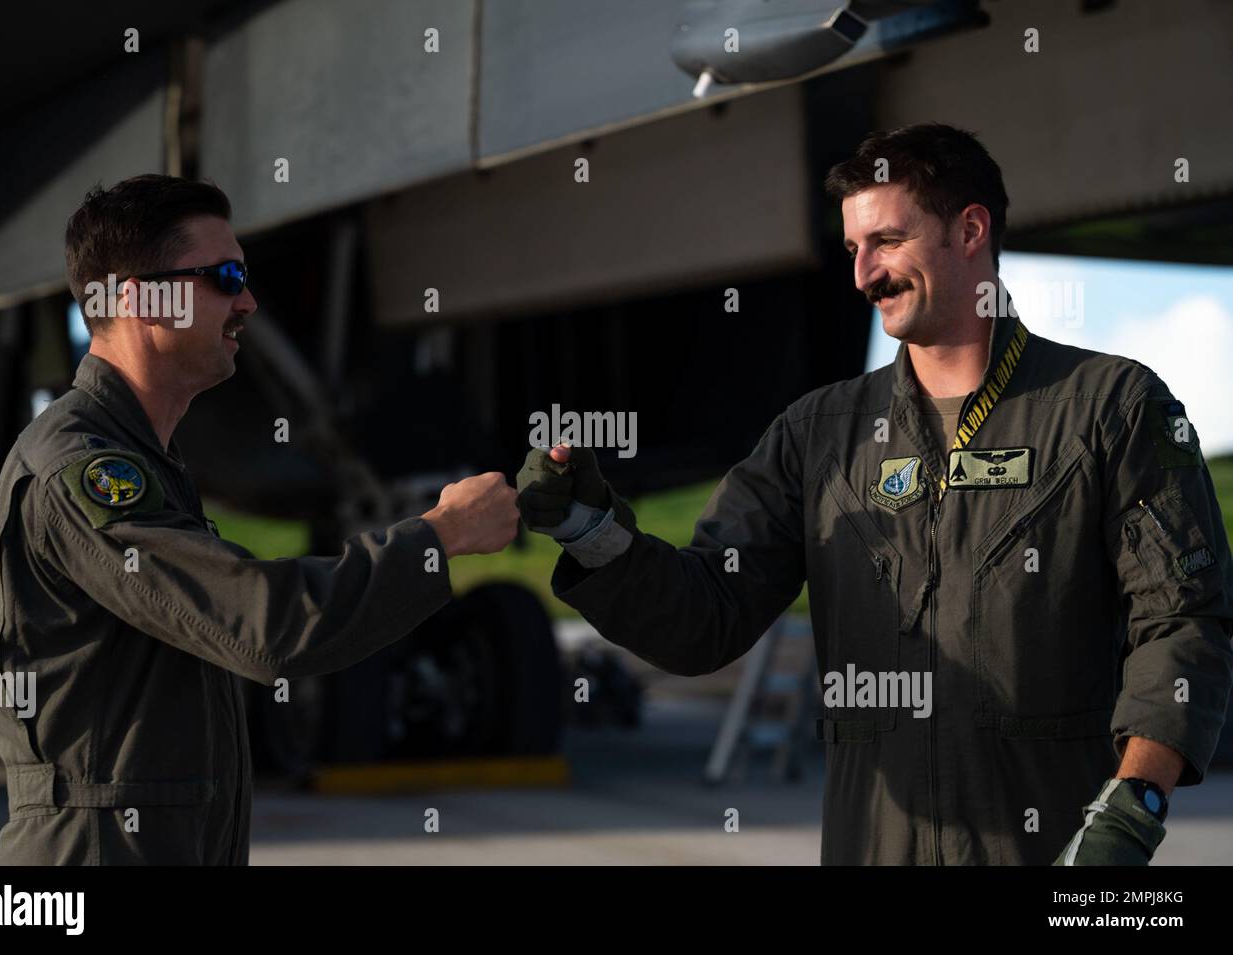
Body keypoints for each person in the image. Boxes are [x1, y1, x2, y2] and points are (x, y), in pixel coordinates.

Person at [516, 123, 1233, 865]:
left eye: (886, 241)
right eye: (855, 249)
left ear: (970, 230)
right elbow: (707, 617)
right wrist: (587, 524)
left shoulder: (1109, 407)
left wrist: (1132, 810)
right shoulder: (817, 434)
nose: (863, 275)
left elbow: (1185, 621)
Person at [0, 174, 519, 864]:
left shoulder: (148, 463)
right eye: (225, 277)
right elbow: (266, 625)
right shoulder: (82, 472)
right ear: (141, 298)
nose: (247, 301)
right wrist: (440, 536)